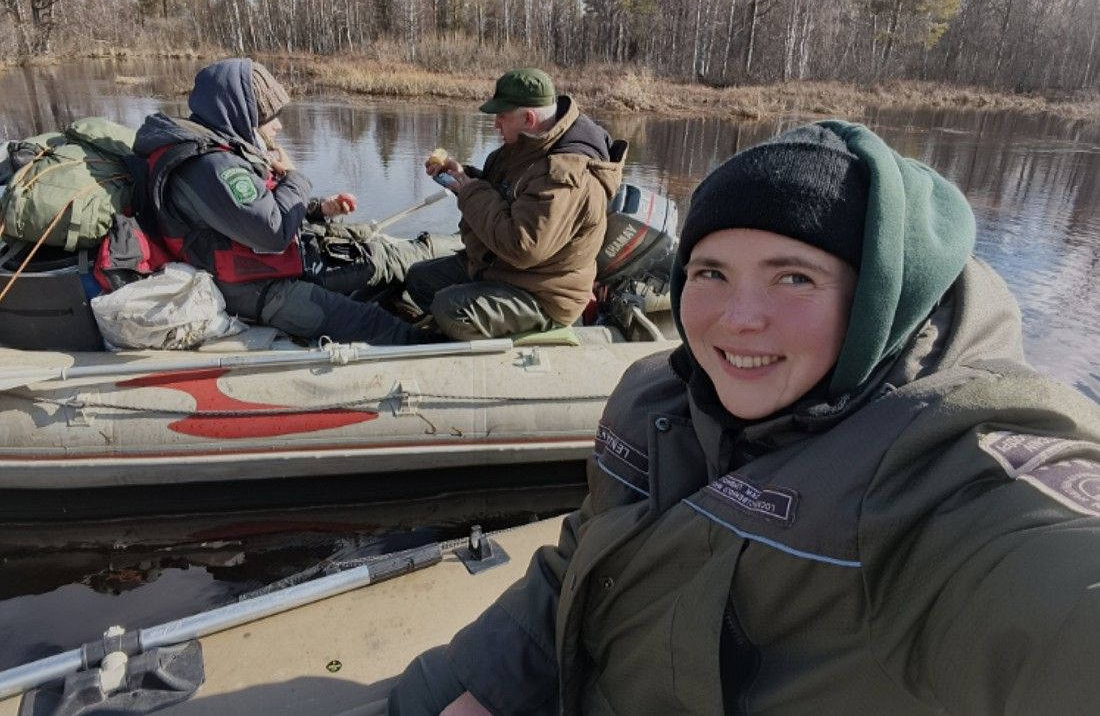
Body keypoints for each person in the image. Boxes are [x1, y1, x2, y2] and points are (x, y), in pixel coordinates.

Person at [388, 121, 1100, 714]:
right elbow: (580, 558)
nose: (737, 318)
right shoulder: (657, 399)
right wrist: (487, 685)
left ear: (879, 299)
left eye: (795, 277)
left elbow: (1052, 582)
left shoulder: (940, 471)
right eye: (711, 273)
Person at [133, 58, 457, 345]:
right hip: (264, 291)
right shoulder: (210, 166)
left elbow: (254, 211)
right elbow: (271, 230)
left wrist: (318, 208)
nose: (279, 125)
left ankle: (465, 255)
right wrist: (295, 178)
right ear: (243, 114)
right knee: (383, 327)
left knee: (389, 258)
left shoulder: (224, 149)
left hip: (287, 265)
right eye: (270, 115)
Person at [407, 68, 626, 339]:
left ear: (529, 118)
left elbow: (523, 246)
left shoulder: (566, 177)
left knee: (450, 309)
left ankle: (495, 362)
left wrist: (471, 192)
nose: (496, 124)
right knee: (419, 279)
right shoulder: (531, 143)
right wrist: (464, 177)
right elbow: (508, 193)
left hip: (544, 293)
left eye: (501, 116)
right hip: (504, 270)